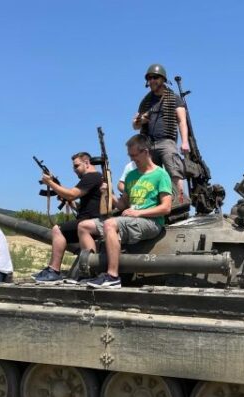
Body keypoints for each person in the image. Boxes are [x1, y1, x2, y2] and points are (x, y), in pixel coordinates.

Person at [76, 134, 172, 288]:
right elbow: (122, 205)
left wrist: (138, 213)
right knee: (83, 226)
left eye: (134, 155)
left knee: (109, 224)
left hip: (151, 222)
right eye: (130, 155)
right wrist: (109, 194)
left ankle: (113, 276)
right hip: (130, 219)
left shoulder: (161, 175)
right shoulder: (131, 176)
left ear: (146, 152)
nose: (132, 159)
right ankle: (91, 273)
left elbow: (166, 208)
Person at [32, 152, 103, 282]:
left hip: (91, 222)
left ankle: (54, 270)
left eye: (76, 166)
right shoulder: (95, 178)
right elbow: (87, 206)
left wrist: (50, 183)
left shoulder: (92, 177)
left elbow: (71, 194)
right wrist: (71, 202)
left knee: (57, 229)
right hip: (89, 219)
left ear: (87, 163)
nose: (74, 170)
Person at [132, 63, 189, 204]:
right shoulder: (146, 102)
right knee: (152, 178)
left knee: (174, 172)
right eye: (149, 78)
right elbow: (135, 125)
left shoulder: (174, 98)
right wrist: (139, 121)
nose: (151, 81)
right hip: (148, 145)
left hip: (166, 142)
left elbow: (182, 121)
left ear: (162, 79)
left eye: (155, 77)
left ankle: (181, 203)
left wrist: (185, 141)